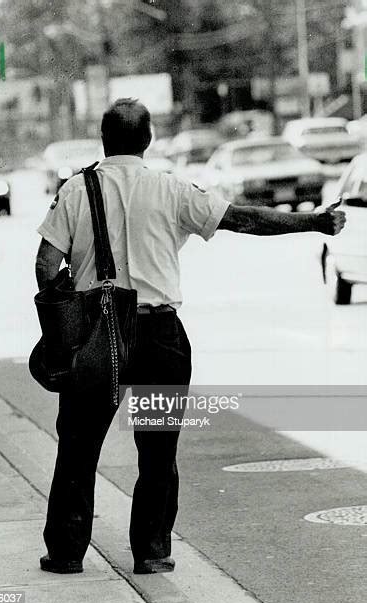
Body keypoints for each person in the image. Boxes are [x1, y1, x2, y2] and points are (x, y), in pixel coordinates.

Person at [35, 98, 345, 575]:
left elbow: (44, 265)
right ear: (148, 140)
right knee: (158, 451)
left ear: (103, 138)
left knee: (78, 447)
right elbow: (244, 219)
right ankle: (153, 552)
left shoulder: (76, 191)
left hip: (98, 340)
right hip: (160, 338)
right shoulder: (172, 190)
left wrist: (70, 310)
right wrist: (316, 222)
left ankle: (66, 553)